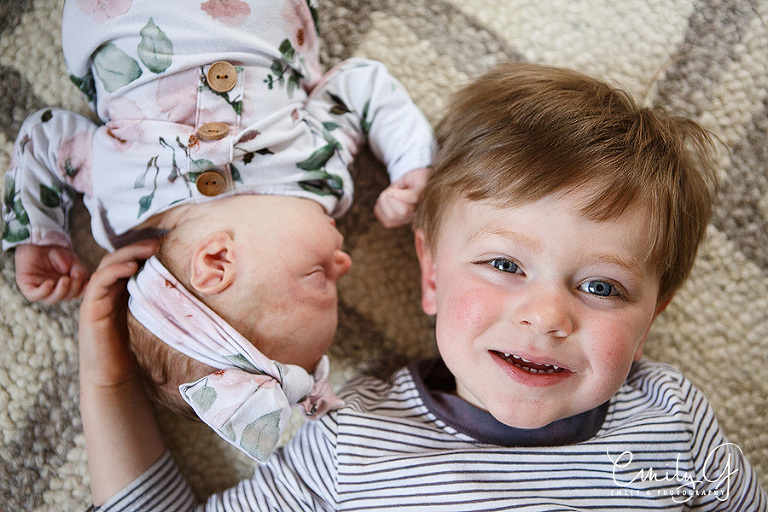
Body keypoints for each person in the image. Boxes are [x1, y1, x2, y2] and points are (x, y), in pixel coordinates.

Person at [78, 62, 767, 510]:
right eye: (505, 265)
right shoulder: (351, 443)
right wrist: (107, 386)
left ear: (652, 318)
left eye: (602, 288)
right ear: (431, 273)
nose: (546, 316)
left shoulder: (670, 424)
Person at [2, 0, 434, 459]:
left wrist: (36, 233)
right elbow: (360, 85)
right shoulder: (316, 174)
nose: (344, 261)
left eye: (319, 274)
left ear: (217, 260)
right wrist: (412, 165)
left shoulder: (122, 204)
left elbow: (44, 137)